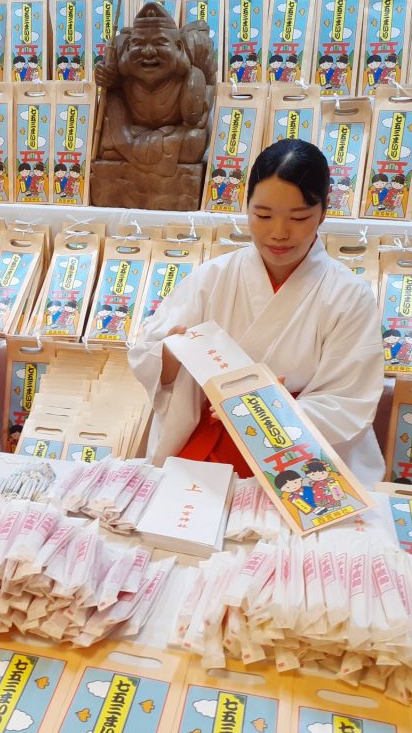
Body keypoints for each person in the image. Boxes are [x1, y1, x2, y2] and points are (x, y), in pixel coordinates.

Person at [129, 139, 384, 484]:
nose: (278, 233)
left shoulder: (349, 296)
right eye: (262, 215)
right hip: (210, 437)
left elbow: (348, 399)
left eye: (299, 217)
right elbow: (149, 352)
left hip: (298, 450)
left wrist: (274, 410)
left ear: (323, 212)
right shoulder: (215, 276)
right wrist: (171, 355)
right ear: (246, 206)